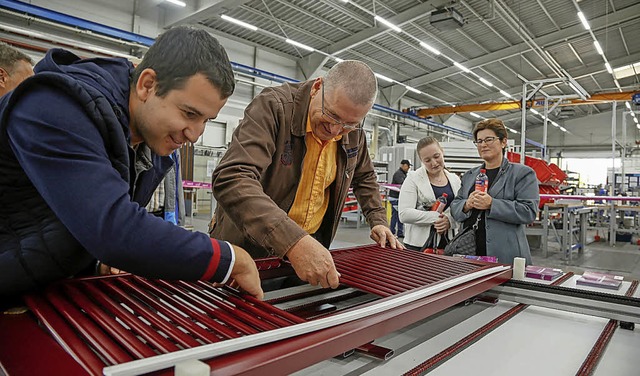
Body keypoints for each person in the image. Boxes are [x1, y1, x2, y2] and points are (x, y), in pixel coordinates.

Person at [0, 26, 263, 300]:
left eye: (206, 120)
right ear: (147, 85)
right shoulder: (54, 107)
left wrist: (90, 258)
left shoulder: (144, 143)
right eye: (189, 113)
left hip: (40, 289)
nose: (195, 135)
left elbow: (72, 217)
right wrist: (228, 259)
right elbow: (112, 228)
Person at [210, 60, 402, 289]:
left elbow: (364, 177)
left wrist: (378, 220)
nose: (335, 131)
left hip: (311, 247)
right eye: (331, 116)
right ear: (317, 87)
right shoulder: (274, 107)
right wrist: (292, 241)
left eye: (349, 125)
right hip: (250, 247)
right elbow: (233, 178)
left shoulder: (353, 132)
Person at [450, 118, 539, 264]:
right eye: (479, 141)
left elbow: (528, 211)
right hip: (469, 253)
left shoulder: (522, 174)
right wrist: (466, 204)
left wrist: (492, 204)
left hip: (505, 255)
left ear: (503, 142)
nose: (483, 145)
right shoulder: (469, 175)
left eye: (489, 139)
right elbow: (455, 207)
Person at [399, 137, 461, 251]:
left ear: (442, 151)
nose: (434, 163)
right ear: (421, 160)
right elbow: (404, 214)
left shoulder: (455, 180)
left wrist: (449, 221)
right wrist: (436, 218)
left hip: (450, 245)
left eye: (437, 156)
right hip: (419, 246)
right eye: (427, 160)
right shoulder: (413, 179)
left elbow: (461, 210)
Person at [389, 159, 411, 238]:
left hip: (398, 198)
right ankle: (392, 232)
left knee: (399, 215)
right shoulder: (399, 174)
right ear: (404, 165)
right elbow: (402, 184)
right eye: (408, 167)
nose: (408, 168)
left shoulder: (403, 174)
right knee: (395, 215)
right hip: (395, 198)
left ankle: (400, 232)